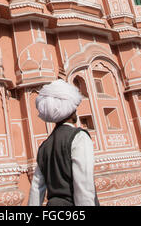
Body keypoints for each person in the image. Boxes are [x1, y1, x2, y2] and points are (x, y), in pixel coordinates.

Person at [28, 79, 99, 207]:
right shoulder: (79, 137)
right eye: (75, 108)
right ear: (70, 110)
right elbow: (84, 185)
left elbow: (36, 189)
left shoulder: (45, 146)